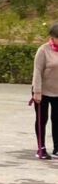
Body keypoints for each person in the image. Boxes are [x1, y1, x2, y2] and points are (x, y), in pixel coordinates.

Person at [32, 22, 58, 160]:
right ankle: (41, 148)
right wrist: (37, 91)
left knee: (57, 119)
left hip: (57, 91)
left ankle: (57, 148)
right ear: (52, 37)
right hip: (42, 90)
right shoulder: (44, 50)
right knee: (42, 119)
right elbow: (37, 70)